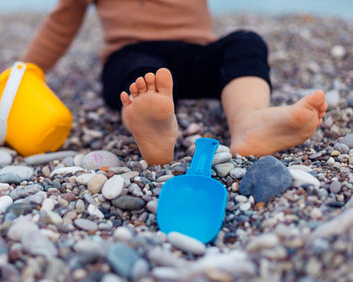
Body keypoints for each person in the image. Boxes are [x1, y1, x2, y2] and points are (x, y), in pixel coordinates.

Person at [23, 0, 328, 165]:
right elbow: (61, 24)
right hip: (133, 49)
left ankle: (249, 120)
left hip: (198, 53)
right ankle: (152, 125)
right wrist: (26, 73)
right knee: (138, 79)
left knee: (246, 42)